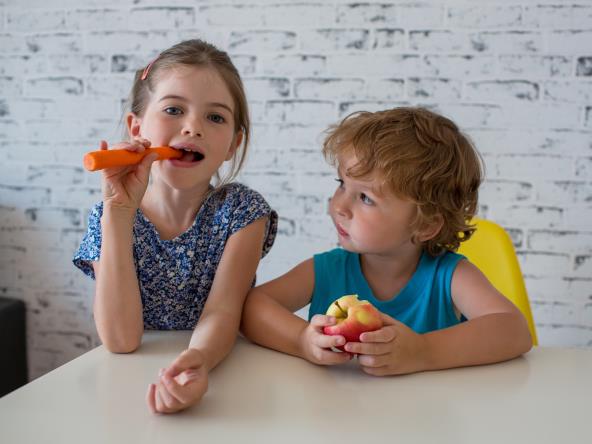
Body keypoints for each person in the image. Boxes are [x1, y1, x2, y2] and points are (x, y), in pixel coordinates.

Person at [241, 107, 532, 376]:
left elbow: (514, 330)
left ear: (426, 224)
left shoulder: (449, 276)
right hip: (336, 410)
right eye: (341, 184)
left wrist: (423, 351)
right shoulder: (326, 270)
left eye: (365, 198)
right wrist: (301, 340)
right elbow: (253, 306)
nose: (340, 206)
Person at [73, 39, 277, 413]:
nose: (193, 128)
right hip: (125, 385)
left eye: (215, 117)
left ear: (233, 144)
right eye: (173, 110)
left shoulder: (243, 212)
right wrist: (118, 212)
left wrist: (197, 361)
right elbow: (120, 341)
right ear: (136, 127)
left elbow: (223, 312)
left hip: (218, 368)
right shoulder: (107, 217)